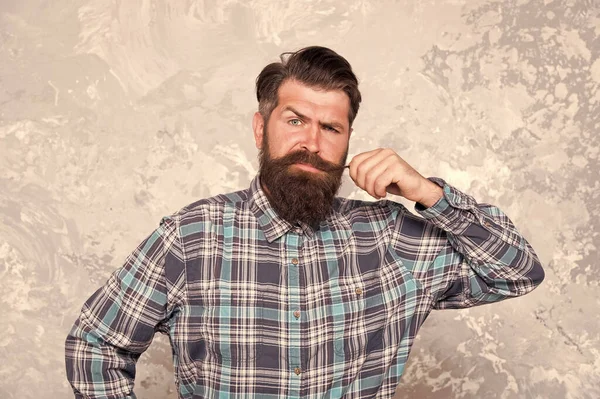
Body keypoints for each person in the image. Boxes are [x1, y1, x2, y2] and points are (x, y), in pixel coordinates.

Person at [65, 46, 544, 398]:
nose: (312, 143)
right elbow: (96, 343)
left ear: (349, 138)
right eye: (295, 120)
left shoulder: (393, 238)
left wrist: (429, 194)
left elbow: (519, 271)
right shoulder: (192, 237)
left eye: (331, 128)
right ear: (261, 127)